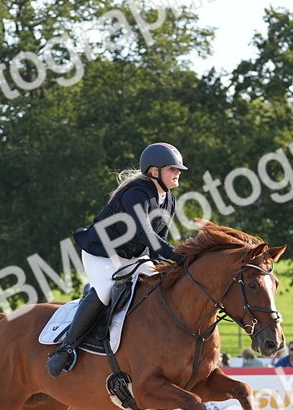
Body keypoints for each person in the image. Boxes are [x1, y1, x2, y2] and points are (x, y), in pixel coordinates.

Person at [46, 143, 187, 377]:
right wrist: (177, 254)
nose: (178, 172)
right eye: (172, 168)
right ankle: (66, 348)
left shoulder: (169, 199)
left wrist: (171, 263)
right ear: (154, 172)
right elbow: (145, 234)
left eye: (178, 169)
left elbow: (158, 240)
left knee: (159, 289)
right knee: (105, 290)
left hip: (134, 256)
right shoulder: (136, 193)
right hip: (102, 252)